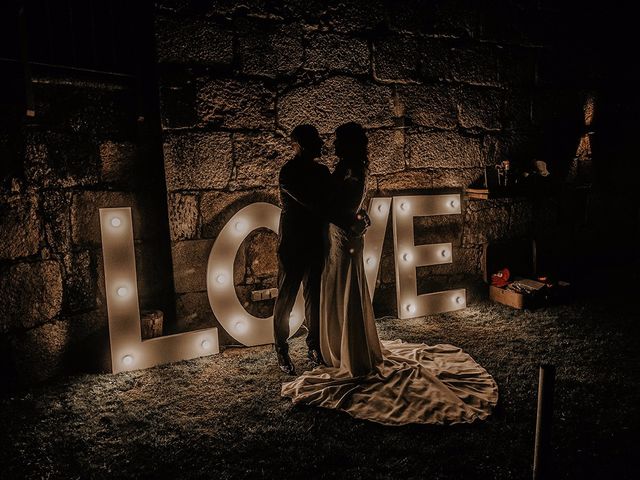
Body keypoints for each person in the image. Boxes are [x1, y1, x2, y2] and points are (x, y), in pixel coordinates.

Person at [282, 123, 499, 425]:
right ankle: (333, 348)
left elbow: (340, 203)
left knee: (345, 289)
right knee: (335, 289)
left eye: (338, 140)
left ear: (348, 144)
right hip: (336, 236)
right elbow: (332, 203)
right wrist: (358, 216)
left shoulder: (352, 169)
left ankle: (349, 352)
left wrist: (356, 217)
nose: (331, 144)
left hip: (343, 238)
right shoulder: (337, 167)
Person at [273, 124, 330, 375]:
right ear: (300, 145)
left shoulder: (322, 171)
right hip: (293, 243)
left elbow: (328, 201)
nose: (321, 144)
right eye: (315, 141)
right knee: (286, 296)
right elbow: (315, 203)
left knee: (314, 297)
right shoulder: (288, 172)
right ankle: (281, 349)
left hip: (316, 241)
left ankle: (314, 345)